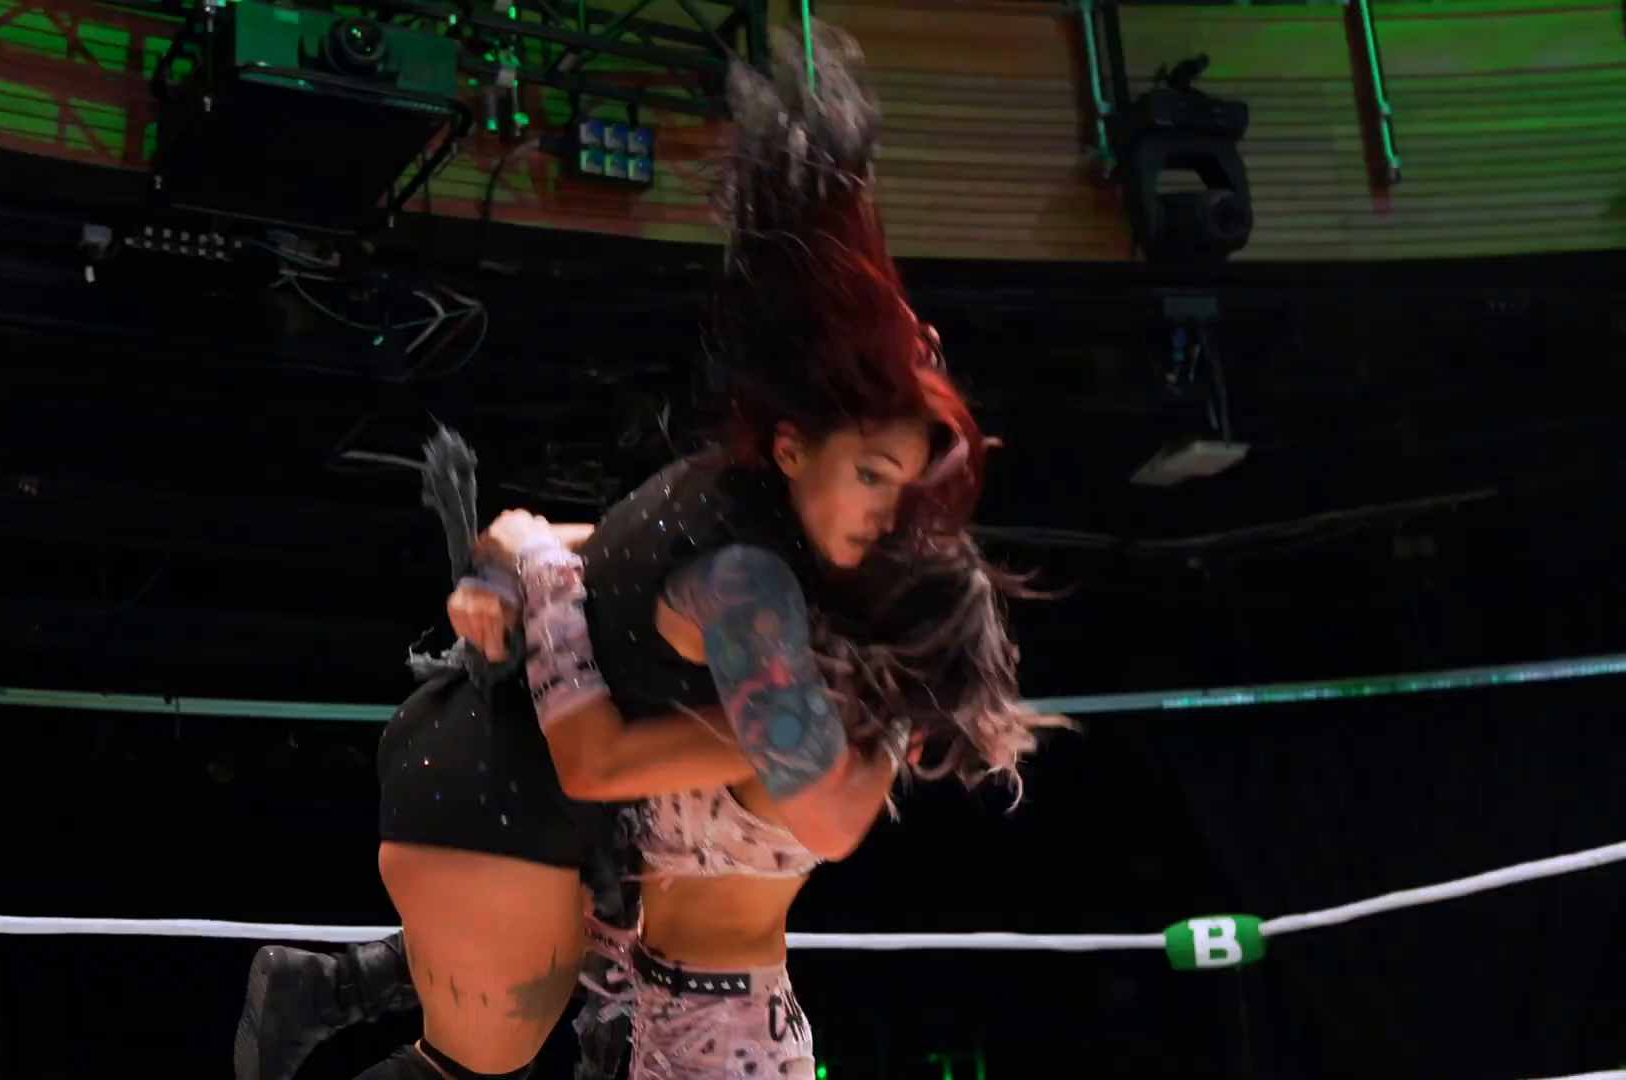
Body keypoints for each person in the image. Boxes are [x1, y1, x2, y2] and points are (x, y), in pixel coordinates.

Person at [233, 21, 1068, 1080]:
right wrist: (528, 575)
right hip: (511, 800)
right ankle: (347, 983)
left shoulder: (743, 542)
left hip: (536, 821)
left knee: (539, 985)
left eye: (901, 492)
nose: (883, 513)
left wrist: (512, 565)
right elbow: (736, 792)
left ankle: (344, 982)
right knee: (480, 1056)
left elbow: (561, 545)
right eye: (871, 477)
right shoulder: (754, 603)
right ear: (793, 446)